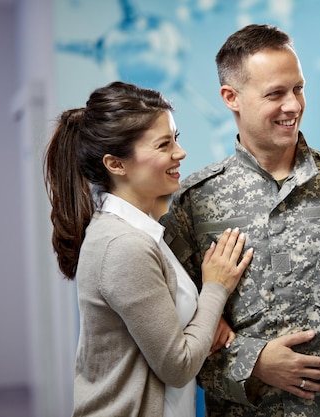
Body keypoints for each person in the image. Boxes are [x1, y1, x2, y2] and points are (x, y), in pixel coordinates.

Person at [159, 24, 320, 416]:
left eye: (298, 89)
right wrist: (254, 363)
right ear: (231, 97)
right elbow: (171, 334)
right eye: (275, 94)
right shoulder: (194, 205)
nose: (293, 105)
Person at [43, 81, 254, 417]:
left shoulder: (144, 232)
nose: (179, 153)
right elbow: (179, 365)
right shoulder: (124, 246)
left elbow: (166, 331)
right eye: (163, 145)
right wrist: (216, 289)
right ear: (116, 164)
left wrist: (207, 320)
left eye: (176, 138)